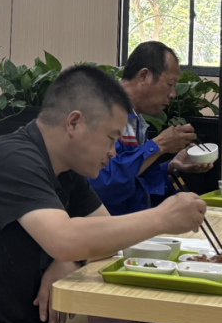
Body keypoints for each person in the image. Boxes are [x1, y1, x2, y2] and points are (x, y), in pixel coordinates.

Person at [0, 65, 207, 323]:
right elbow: (64, 239)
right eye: (111, 138)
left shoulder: (66, 169)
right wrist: (161, 218)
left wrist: (72, 260)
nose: (112, 152)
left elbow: (105, 236)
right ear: (74, 123)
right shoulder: (14, 160)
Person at [88, 42, 213, 216]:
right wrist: (159, 145)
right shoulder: (100, 112)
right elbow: (102, 184)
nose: (173, 94)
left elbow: (135, 180)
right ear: (144, 76)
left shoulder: (135, 120)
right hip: (105, 227)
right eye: (169, 84)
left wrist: (171, 166)